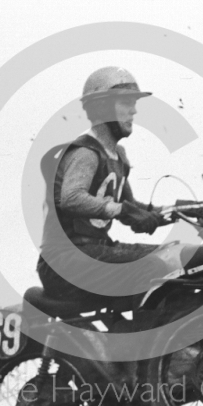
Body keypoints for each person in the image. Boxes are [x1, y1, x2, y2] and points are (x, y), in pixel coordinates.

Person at [36, 66, 171, 304]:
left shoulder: (117, 156)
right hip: (65, 262)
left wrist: (180, 212)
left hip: (93, 254)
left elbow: (132, 208)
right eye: (125, 103)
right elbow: (72, 197)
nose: (133, 111)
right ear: (101, 108)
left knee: (173, 255)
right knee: (156, 265)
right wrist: (120, 210)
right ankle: (145, 338)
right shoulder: (86, 153)